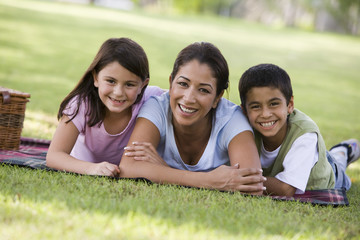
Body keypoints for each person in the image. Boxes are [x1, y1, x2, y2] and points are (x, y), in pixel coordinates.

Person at [119, 42, 265, 194]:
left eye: (203, 90)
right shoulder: (158, 107)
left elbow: (253, 187)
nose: (189, 98)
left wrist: (162, 170)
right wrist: (209, 181)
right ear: (171, 84)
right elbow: (128, 168)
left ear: (217, 97)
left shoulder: (232, 120)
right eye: (183, 84)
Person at [46, 37, 164, 177]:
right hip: (84, 164)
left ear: (143, 85)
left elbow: (182, 98)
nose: (118, 92)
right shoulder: (81, 104)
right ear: (96, 78)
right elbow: (54, 155)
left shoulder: (153, 98)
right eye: (111, 81)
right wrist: (92, 168)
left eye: (129, 84)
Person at [238, 63, 360, 196]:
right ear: (244, 110)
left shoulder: (305, 134)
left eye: (274, 104)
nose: (266, 114)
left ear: (290, 105)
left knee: (337, 165)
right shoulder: (242, 129)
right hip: (304, 158)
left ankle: (343, 151)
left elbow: (286, 189)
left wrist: (237, 180)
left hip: (328, 176)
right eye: (256, 106)